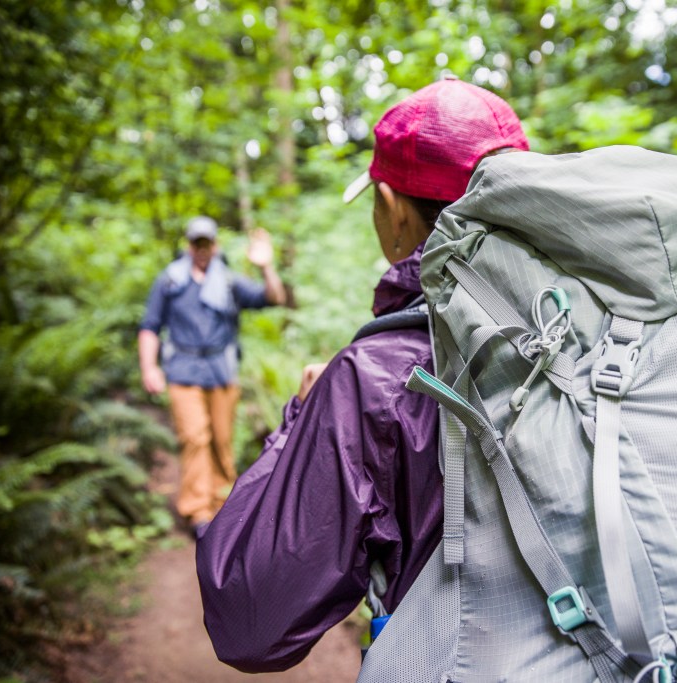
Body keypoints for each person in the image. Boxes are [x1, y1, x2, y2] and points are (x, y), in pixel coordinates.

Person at [195, 77, 529, 672]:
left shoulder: (372, 378)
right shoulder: (575, 327)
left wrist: (304, 415)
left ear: (395, 210)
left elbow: (247, 618)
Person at [138, 216, 287, 534]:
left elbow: (274, 298)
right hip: (182, 371)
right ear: (189, 246)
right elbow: (150, 326)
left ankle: (222, 507)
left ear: (215, 245)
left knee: (221, 441)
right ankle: (197, 513)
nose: (202, 249)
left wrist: (265, 266)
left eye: (207, 243)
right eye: (197, 243)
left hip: (221, 372)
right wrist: (149, 367)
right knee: (194, 437)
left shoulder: (229, 282)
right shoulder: (170, 281)